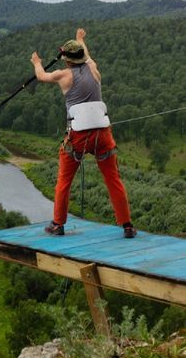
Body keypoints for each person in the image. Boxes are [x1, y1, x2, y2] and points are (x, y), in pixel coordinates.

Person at [30, 28, 136, 238]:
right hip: (103, 135)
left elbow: (41, 76)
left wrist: (36, 62)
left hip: (78, 137)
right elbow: (87, 57)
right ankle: (127, 225)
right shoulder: (94, 70)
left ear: (66, 60)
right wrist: (80, 40)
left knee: (64, 181)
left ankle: (58, 224)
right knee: (113, 180)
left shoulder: (64, 75)